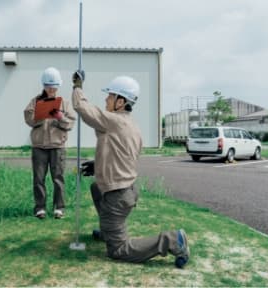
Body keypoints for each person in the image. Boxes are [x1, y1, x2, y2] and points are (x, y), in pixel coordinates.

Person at [71, 71, 190, 268]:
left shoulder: (113, 120)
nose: (106, 99)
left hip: (118, 196)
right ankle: (109, 231)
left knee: (118, 250)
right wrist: (97, 165)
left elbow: (82, 108)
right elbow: (122, 155)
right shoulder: (130, 124)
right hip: (127, 190)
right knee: (96, 188)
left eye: (110, 95)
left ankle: (172, 240)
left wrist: (77, 87)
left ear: (120, 101)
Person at [24, 67, 76, 219]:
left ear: (58, 86)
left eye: (53, 87)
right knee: (38, 178)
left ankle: (59, 208)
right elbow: (28, 119)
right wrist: (40, 116)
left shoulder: (64, 104)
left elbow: (71, 123)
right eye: (48, 86)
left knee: (58, 178)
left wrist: (60, 117)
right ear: (43, 85)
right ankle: (40, 208)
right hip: (39, 147)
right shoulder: (35, 102)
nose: (51, 89)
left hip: (57, 147)